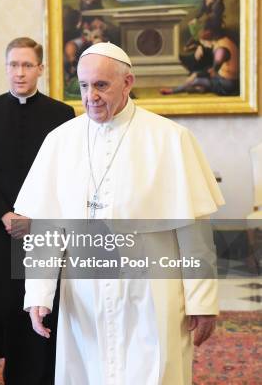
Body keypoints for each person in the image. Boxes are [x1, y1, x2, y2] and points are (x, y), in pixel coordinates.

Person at [17, 42, 224, 384]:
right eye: (83, 86)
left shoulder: (170, 139)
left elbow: (194, 232)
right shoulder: (60, 141)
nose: (90, 96)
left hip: (151, 293)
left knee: (151, 371)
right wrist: (38, 294)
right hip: (84, 294)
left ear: (127, 82)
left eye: (101, 85)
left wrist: (201, 299)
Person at [0, 37, 74, 384]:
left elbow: (67, 172)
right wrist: (4, 214)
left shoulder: (62, 114)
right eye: (13, 64)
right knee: (5, 307)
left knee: (46, 305)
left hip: (46, 231)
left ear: (40, 69)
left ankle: (48, 374)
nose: (20, 72)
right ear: (6, 67)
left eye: (27, 65)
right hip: (2, 232)